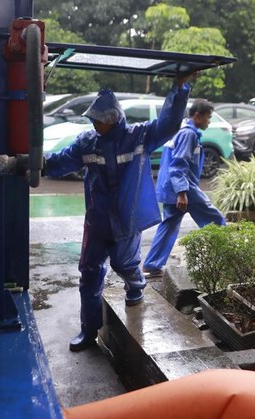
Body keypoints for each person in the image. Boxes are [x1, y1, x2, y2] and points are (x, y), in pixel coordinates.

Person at [43, 73, 195, 351]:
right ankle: (89, 331)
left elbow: (169, 124)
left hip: (126, 220)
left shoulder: (139, 137)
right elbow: (60, 161)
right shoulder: (87, 142)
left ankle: (135, 287)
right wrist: (34, 163)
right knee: (89, 273)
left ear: (113, 118)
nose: (95, 124)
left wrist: (179, 88)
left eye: (99, 120)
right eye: (93, 120)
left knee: (123, 265)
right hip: (97, 222)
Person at [142, 99, 226, 279]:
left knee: (170, 224)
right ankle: (224, 259)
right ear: (198, 116)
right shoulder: (188, 134)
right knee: (215, 219)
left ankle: (152, 265)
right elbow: (178, 165)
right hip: (183, 189)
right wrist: (182, 193)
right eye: (208, 117)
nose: (209, 122)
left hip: (174, 187)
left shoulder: (180, 131)